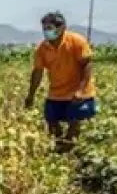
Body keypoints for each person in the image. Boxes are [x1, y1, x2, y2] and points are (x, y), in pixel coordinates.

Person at [24, 11, 97, 152]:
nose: (47, 32)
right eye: (45, 28)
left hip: (79, 92)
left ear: (62, 27)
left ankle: (70, 151)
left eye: (50, 28)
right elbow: (38, 72)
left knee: (74, 124)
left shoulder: (77, 41)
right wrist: (31, 95)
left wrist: (81, 90)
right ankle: (59, 151)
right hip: (57, 92)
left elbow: (87, 65)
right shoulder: (42, 48)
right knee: (51, 122)